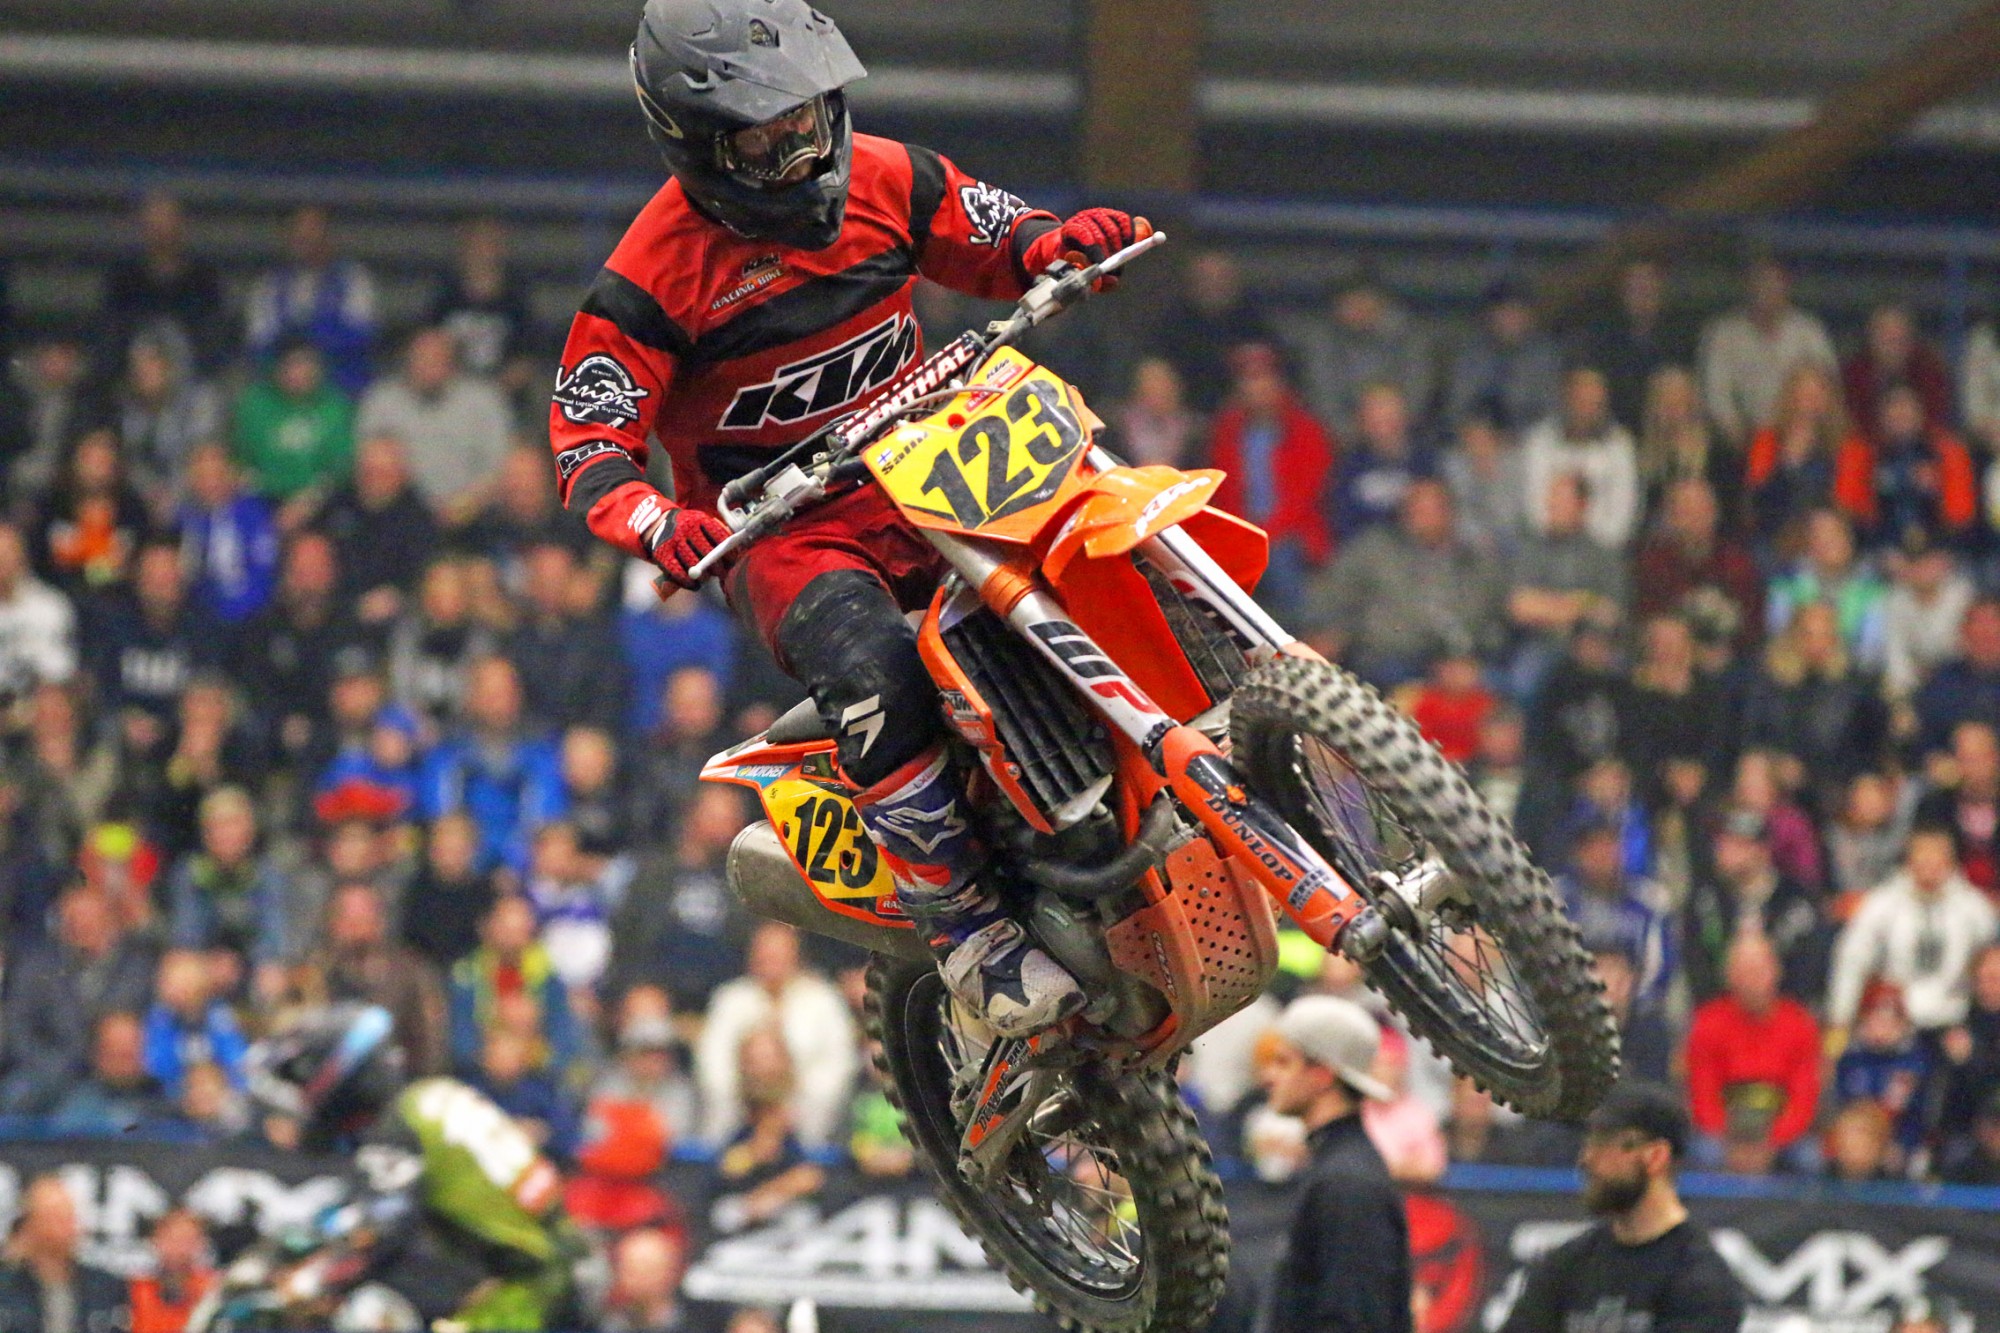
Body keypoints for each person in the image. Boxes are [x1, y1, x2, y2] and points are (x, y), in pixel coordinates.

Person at [547, 0, 1147, 1036]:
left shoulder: (889, 175)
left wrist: (1060, 241)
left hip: (931, 460)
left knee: (1094, 532)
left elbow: (1001, 239)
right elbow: (587, 439)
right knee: (875, 666)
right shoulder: (649, 273)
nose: (797, 147)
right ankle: (966, 928)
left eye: (805, 116)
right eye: (762, 136)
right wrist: (654, 522)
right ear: (698, 146)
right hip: (786, 529)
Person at [242, 1003, 587, 1329]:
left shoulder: (394, 1128)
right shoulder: (430, 1095)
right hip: (552, 1263)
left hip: (529, 1289)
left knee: (368, 1308)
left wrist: (308, 1282)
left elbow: (383, 1228)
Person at [1498, 1083, 1745, 1333]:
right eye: (1588, 1142)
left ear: (1655, 1156)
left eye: (1604, 1143)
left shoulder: (1701, 1281)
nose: (1586, 1158)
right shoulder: (1566, 1266)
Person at [1255, 995, 1411, 1333]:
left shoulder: (1347, 1182)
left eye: (1283, 1062)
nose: (1268, 1076)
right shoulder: (1337, 1169)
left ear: (1322, 1074)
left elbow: (1354, 1317)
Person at [1698, 255, 1835, 448]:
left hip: (1805, 438)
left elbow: (1829, 388)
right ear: (1747, 286)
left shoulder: (1810, 331)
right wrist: (1744, 445)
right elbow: (1717, 398)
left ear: (1786, 286)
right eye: (1760, 281)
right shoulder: (1723, 334)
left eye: (1775, 282)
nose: (1767, 289)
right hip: (1743, 441)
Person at [0, 1174, 131, 1333]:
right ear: (30, 1224)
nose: (67, 1227)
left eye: (70, 1217)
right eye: (54, 1218)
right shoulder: (6, 1288)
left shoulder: (105, 1287)